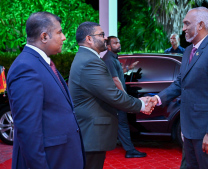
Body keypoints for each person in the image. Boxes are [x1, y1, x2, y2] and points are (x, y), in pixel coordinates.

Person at [150, 7, 208, 168]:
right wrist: (158, 98)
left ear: (200, 25)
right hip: (190, 129)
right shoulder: (188, 51)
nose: (183, 28)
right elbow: (181, 83)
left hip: (207, 131)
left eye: (187, 23)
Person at [68, 22, 154, 169]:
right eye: (101, 35)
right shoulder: (90, 61)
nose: (105, 38)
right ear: (89, 38)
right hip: (91, 133)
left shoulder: (86, 58)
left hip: (89, 132)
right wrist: (141, 104)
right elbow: (112, 95)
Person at [6, 12, 85, 169]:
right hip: (50, 161)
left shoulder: (40, 63)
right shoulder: (26, 67)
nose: (64, 37)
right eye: (59, 32)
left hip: (61, 157)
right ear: (44, 37)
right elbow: (28, 132)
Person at [102, 36, 147, 158]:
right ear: (109, 46)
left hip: (116, 97)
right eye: (115, 43)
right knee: (122, 122)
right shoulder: (109, 59)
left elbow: (118, 71)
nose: (119, 44)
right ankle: (130, 150)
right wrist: (125, 97)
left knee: (119, 122)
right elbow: (115, 79)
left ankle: (122, 146)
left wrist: (128, 68)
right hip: (116, 97)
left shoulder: (113, 58)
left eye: (119, 42)